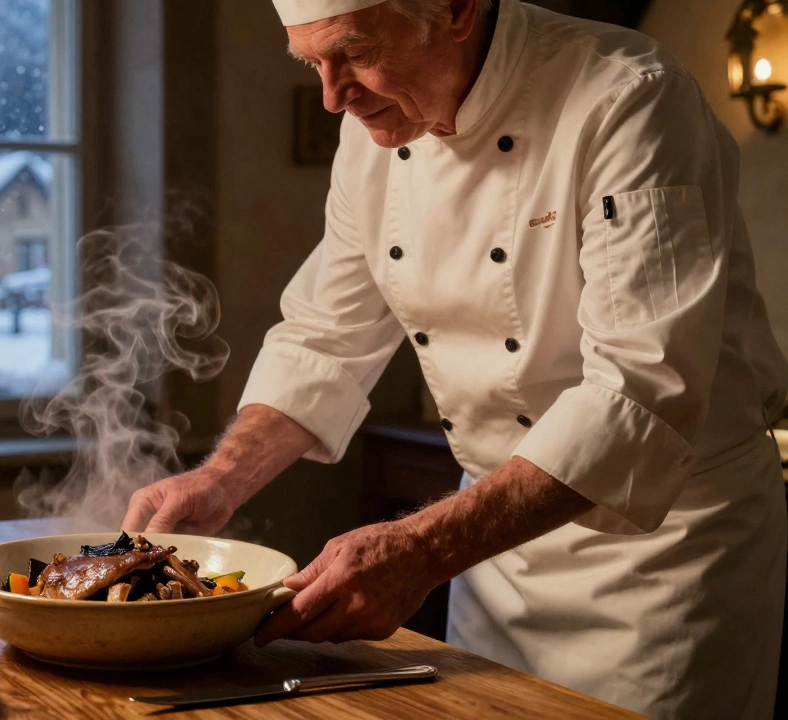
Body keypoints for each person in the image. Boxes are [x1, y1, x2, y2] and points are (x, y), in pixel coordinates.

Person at [120, 0, 788, 716]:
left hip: (663, 557)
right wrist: (221, 480)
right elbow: (324, 335)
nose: (331, 96)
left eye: (354, 52)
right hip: (492, 549)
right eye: (312, 63)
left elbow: (639, 393)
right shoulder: (371, 134)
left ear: (456, 9)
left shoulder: (629, 98)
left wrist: (424, 549)